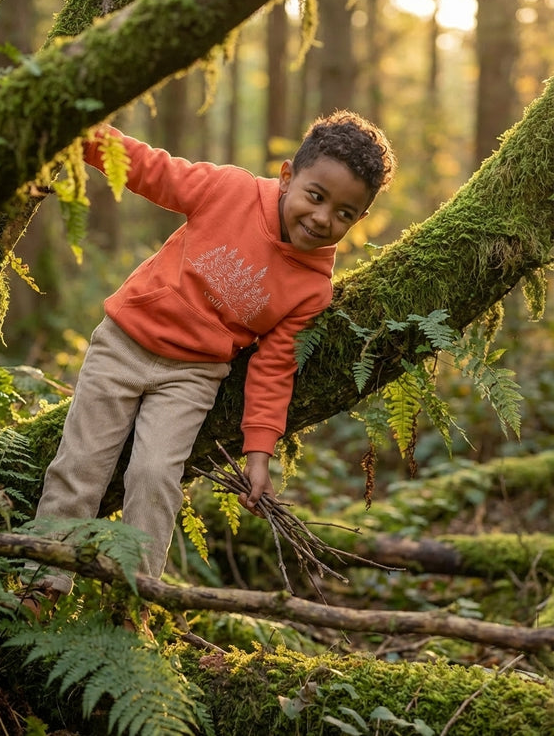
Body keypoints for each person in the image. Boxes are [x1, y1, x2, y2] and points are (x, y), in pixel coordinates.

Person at [24, 109, 396, 603]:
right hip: (123, 344)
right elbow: (151, 170)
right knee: (80, 468)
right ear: (288, 176)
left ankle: (133, 601)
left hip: (192, 377)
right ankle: (43, 583)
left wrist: (259, 453)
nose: (324, 218)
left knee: (155, 476)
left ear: (360, 219)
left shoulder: (311, 289)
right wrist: (84, 137)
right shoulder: (230, 190)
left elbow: (274, 368)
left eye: (344, 213)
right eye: (316, 196)